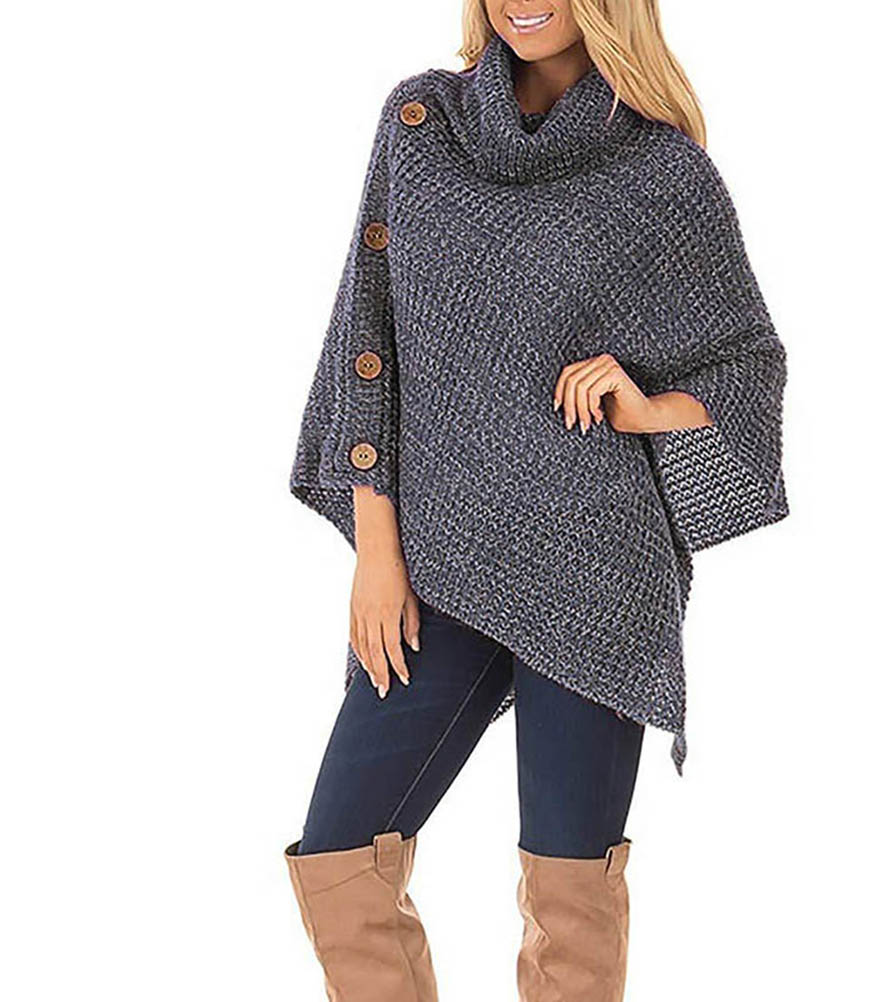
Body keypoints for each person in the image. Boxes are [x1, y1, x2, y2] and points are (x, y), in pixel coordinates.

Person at [283, 1, 789, 999]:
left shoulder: (662, 172)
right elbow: (366, 344)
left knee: (571, 896)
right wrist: (376, 552)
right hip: (436, 565)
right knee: (341, 856)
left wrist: (645, 407)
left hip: (594, 575)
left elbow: (746, 366)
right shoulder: (421, 124)